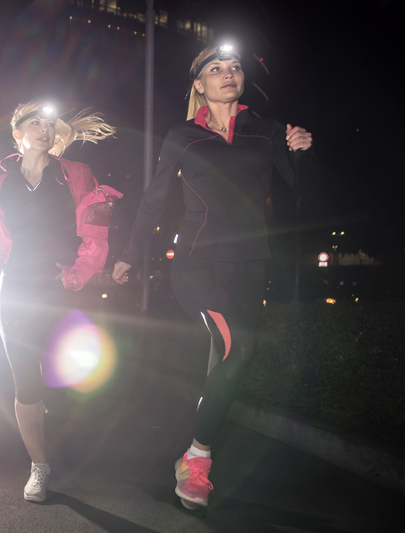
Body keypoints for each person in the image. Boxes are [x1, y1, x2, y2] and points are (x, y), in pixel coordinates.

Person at [112, 44, 319, 510]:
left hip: (249, 262)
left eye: (234, 67)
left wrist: (303, 152)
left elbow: (303, 194)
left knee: (236, 358)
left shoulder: (267, 132)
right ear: (200, 85)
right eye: (215, 69)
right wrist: (129, 254)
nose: (228, 73)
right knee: (241, 348)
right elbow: (153, 198)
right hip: (196, 262)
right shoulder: (183, 135)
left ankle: (195, 452)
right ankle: (198, 459)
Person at [0, 101, 120, 502]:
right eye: (34, 122)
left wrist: (79, 272)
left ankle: (63, 428)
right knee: (26, 379)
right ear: (17, 133)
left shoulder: (76, 175)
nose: (43, 128)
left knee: (69, 372)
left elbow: (96, 232)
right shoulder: (0, 186)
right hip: (16, 286)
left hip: (63, 287)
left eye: (49, 123)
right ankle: (39, 467)